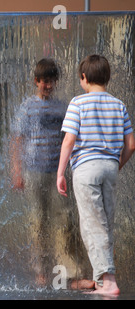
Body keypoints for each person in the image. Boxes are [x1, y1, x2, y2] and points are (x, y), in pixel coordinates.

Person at [57, 54, 135, 295]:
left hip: (86, 168)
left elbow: (69, 140)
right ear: (107, 78)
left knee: (93, 223)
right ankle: (101, 280)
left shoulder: (78, 103)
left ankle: (109, 282)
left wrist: (61, 173)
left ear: (84, 78)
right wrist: (116, 164)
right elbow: (131, 144)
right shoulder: (118, 105)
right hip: (110, 168)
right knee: (106, 221)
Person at [11, 58, 91, 288]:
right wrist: (17, 171)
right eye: (44, 81)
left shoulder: (62, 107)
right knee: (37, 222)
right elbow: (17, 139)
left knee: (64, 221)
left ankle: (71, 274)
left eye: (52, 81)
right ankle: (41, 272)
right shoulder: (27, 106)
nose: (48, 85)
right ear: (36, 81)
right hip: (33, 172)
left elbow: (71, 138)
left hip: (58, 173)